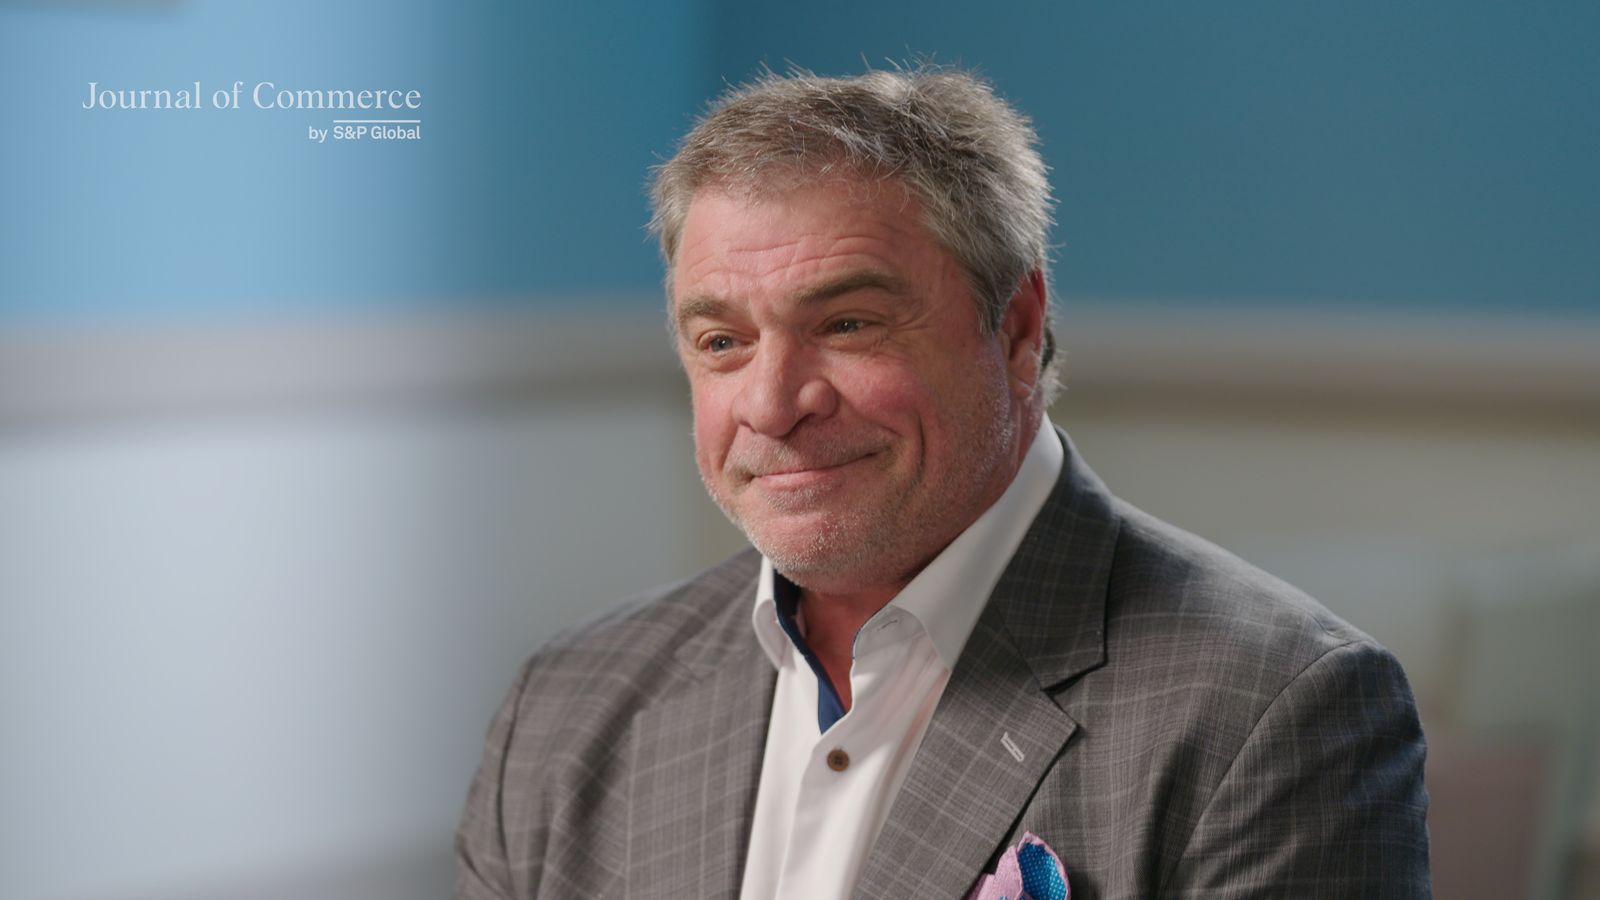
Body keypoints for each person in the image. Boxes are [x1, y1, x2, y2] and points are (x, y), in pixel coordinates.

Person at [455, 67, 1431, 899]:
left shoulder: (1274, 711)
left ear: (1016, 332)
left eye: (848, 325)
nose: (773, 404)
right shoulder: (568, 704)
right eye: (722, 342)